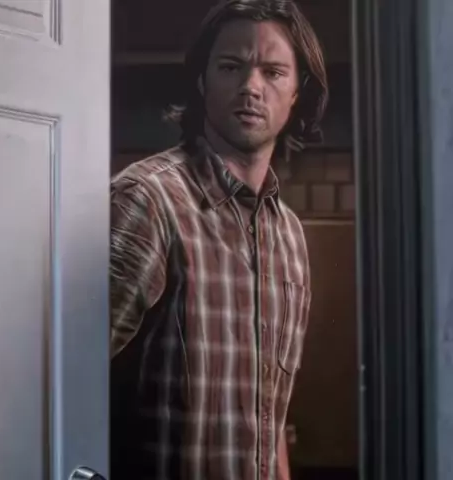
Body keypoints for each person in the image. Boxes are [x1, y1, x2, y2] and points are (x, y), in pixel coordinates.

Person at [110, 0, 328, 478]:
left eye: (273, 72)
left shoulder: (289, 235)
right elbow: (64, 382)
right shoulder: (149, 201)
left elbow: (270, 416)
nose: (251, 86)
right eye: (231, 66)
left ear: (297, 93)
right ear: (202, 80)